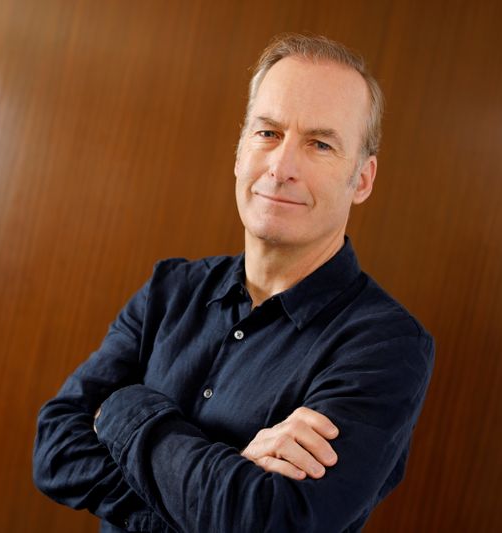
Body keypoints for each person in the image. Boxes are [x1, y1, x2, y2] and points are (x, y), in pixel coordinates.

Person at [32, 33, 435, 533]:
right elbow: (54, 450)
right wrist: (219, 492)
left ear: (363, 179)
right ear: (240, 151)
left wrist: (122, 407)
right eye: (268, 133)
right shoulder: (170, 289)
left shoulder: (387, 346)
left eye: (320, 144)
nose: (281, 167)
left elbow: (272, 523)